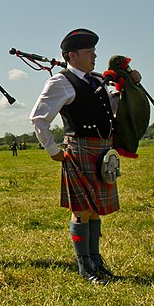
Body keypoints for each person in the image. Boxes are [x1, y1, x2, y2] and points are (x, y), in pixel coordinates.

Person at [30, 29, 140, 285]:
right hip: (79, 148)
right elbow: (38, 118)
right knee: (81, 210)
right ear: (72, 55)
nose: (94, 56)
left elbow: (111, 110)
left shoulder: (96, 81)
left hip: (102, 150)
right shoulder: (61, 82)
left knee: (94, 210)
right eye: (89, 52)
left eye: (94, 51)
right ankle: (84, 266)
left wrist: (128, 87)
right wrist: (53, 150)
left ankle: (96, 261)